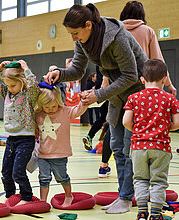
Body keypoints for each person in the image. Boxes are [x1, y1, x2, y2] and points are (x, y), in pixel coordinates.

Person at [44, 4, 148, 214]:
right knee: (117, 146)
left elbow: (131, 75)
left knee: (128, 149)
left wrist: (98, 95)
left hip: (137, 94)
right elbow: (77, 70)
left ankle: (127, 198)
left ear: (88, 25)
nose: (73, 38)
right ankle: (123, 195)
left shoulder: (116, 37)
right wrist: (60, 74)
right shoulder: (83, 42)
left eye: (75, 33)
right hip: (118, 95)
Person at [122, 59, 179, 220]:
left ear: (142, 80)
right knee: (158, 182)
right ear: (165, 79)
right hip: (161, 148)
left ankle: (141, 213)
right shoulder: (170, 99)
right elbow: (177, 123)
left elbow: (126, 122)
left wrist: (140, 131)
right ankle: (155, 213)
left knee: (140, 179)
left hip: (139, 147)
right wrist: (161, 130)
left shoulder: (134, 98)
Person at [0, 60, 39, 206]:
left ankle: (26, 196)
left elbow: (34, 86)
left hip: (25, 139)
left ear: (22, 81)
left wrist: (26, 68)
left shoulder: (28, 94)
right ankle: (10, 195)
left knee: (18, 172)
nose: (10, 88)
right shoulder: (7, 93)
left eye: (13, 85)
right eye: (8, 85)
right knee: (6, 172)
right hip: (11, 139)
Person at [35, 86, 88, 207]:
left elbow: (78, 110)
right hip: (43, 154)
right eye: (46, 107)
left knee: (62, 177)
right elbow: (35, 132)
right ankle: (43, 201)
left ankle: (69, 195)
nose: (50, 110)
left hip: (60, 153)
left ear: (58, 102)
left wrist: (84, 101)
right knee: (43, 178)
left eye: (53, 106)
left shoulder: (65, 111)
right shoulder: (38, 114)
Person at [120, 1, 177, 96]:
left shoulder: (117, 31)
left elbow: (108, 59)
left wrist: (104, 83)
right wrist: (169, 84)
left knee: (120, 109)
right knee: (140, 109)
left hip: (118, 80)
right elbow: (158, 60)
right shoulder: (148, 31)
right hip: (141, 80)